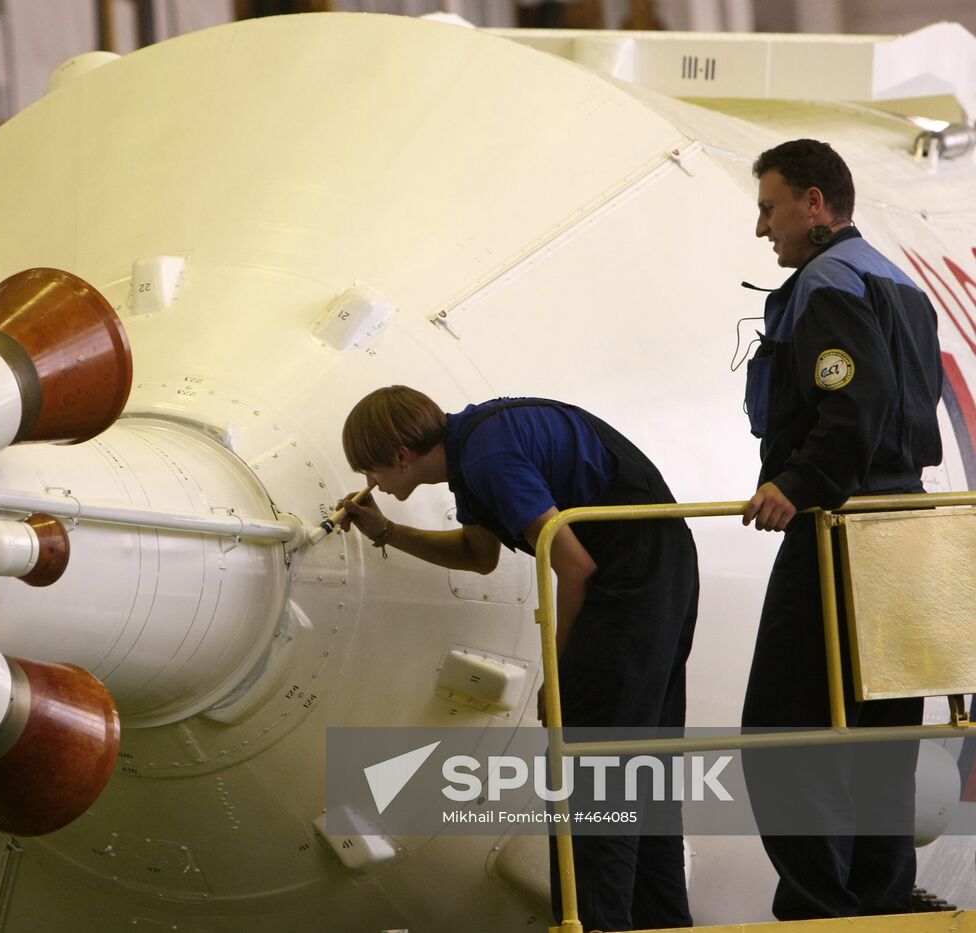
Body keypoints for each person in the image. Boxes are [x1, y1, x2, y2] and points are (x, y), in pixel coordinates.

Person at [337, 386, 698, 932]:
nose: (372, 483)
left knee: (595, 786)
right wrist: (384, 531)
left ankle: (600, 924)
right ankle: (663, 923)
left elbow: (574, 567)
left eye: (371, 470)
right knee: (644, 777)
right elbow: (476, 556)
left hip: (628, 575)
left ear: (402, 455)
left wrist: (558, 675)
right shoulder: (473, 447)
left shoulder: (486, 458)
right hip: (660, 564)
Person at [740, 138, 944, 919]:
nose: (764, 229)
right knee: (881, 735)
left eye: (769, 207)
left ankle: (818, 900)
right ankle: (879, 897)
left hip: (843, 528)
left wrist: (797, 483)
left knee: (781, 730)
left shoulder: (825, 282)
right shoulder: (900, 283)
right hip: (906, 526)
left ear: (814, 203)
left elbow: (852, 403)